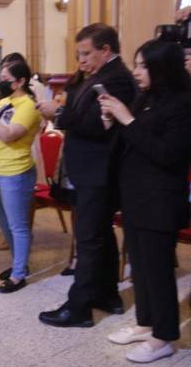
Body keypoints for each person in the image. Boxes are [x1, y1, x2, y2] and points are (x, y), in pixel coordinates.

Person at [38, 23, 136, 327]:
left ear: (105, 50)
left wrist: (57, 114)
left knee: (89, 237)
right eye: (78, 53)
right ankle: (106, 294)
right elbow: (83, 113)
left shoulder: (117, 78)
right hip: (89, 168)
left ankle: (78, 308)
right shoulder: (97, 76)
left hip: (99, 169)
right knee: (100, 235)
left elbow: (96, 124)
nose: (80, 59)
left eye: (85, 53)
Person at [99, 40, 191, 363]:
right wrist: (114, 122)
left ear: (161, 67)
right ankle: (147, 323)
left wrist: (127, 120)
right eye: (136, 65)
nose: (136, 72)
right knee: (141, 266)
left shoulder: (183, 104)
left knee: (158, 270)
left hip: (160, 200)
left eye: (142, 65)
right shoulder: (148, 98)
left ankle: (163, 337)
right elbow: (134, 140)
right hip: (136, 196)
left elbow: (166, 154)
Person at [0, 61, 41, 293]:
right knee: (3, 223)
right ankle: (18, 264)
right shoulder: (3, 102)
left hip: (16, 173)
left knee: (18, 225)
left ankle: (19, 274)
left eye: (6, 79)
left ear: (21, 81)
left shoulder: (28, 106)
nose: (1, 83)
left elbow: (8, 134)